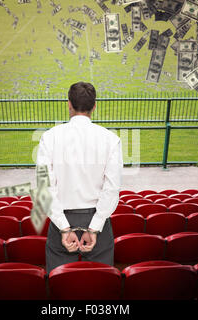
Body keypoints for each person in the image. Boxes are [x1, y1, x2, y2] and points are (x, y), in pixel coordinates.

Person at [37, 82, 123, 274]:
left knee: (60, 283)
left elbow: (44, 188)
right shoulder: (110, 139)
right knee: (100, 283)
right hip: (97, 220)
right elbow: (112, 188)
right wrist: (94, 227)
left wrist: (64, 228)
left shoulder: (49, 137)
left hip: (62, 218)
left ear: (69, 104)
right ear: (94, 106)